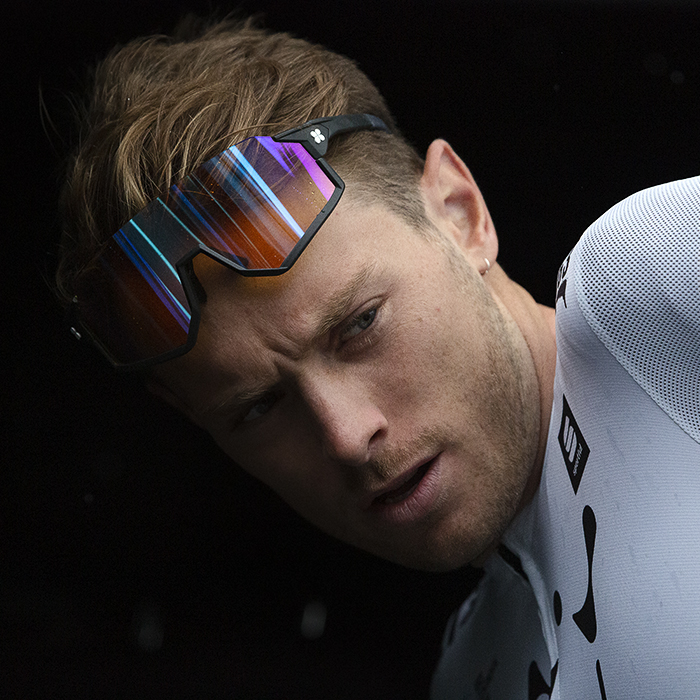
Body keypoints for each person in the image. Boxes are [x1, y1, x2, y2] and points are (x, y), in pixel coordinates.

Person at [55, 16, 700, 699]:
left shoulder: (643, 284)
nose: (346, 434)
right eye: (259, 407)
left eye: (359, 324)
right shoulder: (472, 675)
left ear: (460, 212)